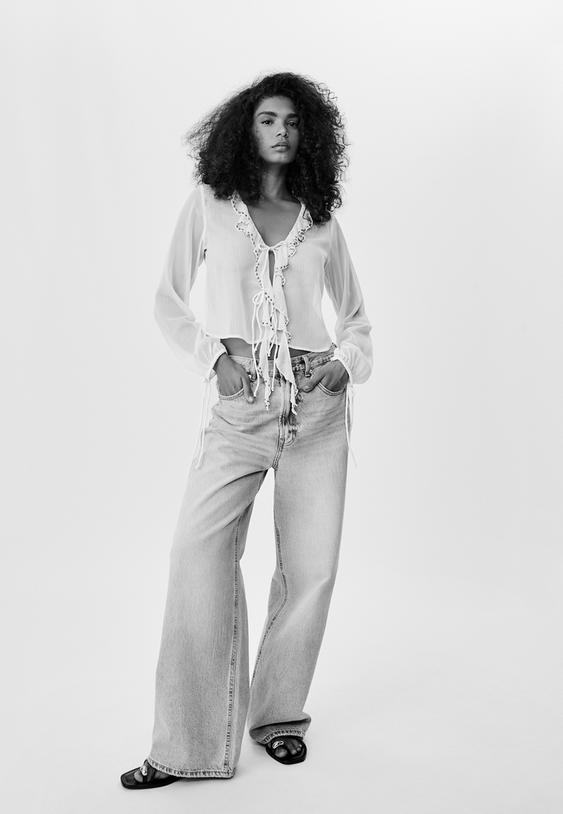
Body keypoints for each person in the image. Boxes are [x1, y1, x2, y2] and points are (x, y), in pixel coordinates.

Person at [121, 71, 373, 790]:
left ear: (308, 134)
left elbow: (357, 320)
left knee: (310, 570)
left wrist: (343, 365)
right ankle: (186, 745)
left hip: (315, 406)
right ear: (245, 128)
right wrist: (215, 360)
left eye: (292, 122)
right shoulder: (210, 205)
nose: (281, 132)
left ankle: (278, 717)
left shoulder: (320, 222)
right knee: (196, 555)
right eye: (268, 120)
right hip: (239, 407)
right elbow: (167, 301)